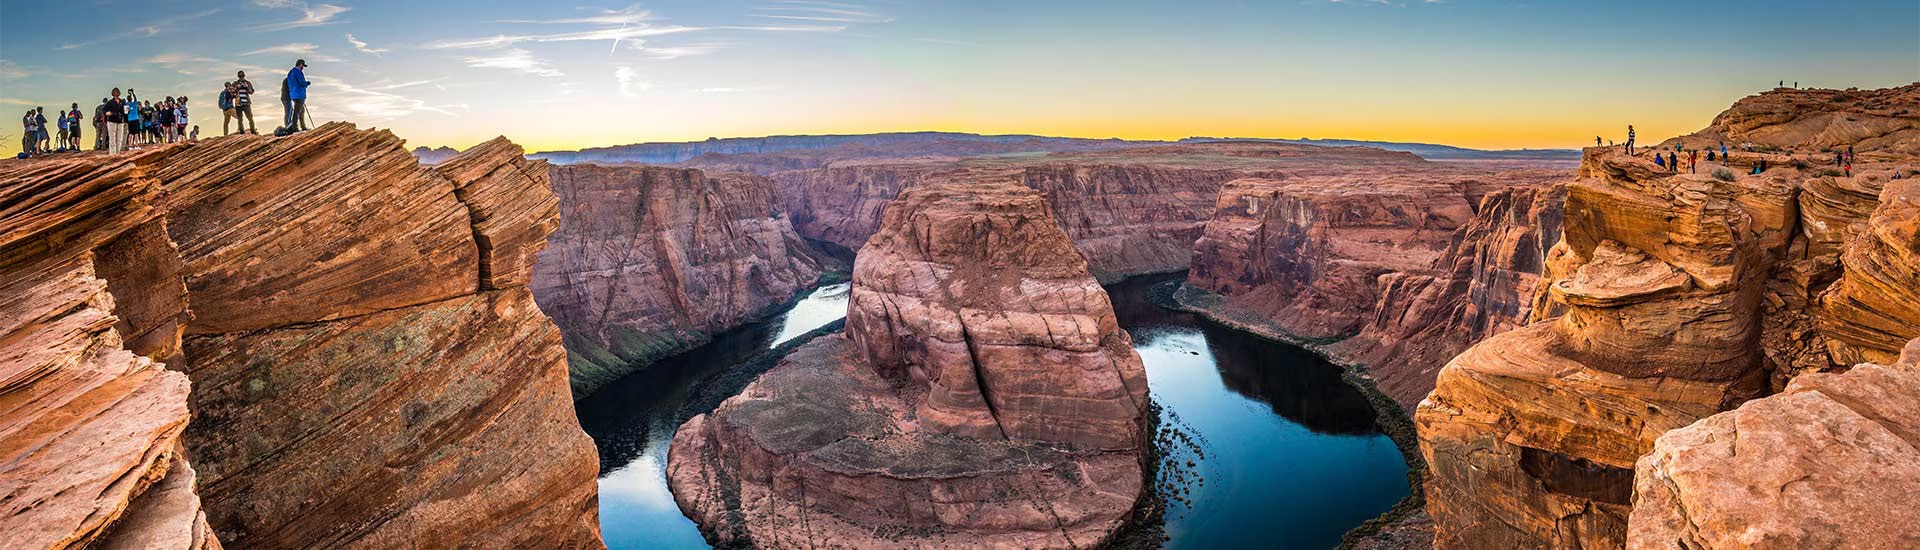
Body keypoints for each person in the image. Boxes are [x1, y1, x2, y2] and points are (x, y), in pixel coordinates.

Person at [286, 59, 311, 132]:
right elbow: (301, 82)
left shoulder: (290, 72)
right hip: (299, 94)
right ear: (300, 64)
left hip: (293, 94)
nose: (303, 67)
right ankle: (295, 128)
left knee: (301, 110)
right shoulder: (298, 72)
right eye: (303, 66)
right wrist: (307, 83)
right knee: (297, 111)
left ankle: (302, 126)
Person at [105, 89, 128, 154]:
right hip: (112, 121)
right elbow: (104, 110)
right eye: (115, 92)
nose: (116, 94)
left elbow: (125, 112)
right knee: (112, 138)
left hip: (120, 121)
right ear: (113, 94)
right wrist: (107, 113)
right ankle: (112, 154)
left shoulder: (122, 102)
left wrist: (127, 111)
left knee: (119, 138)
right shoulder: (110, 102)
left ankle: (117, 153)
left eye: (117, 92)